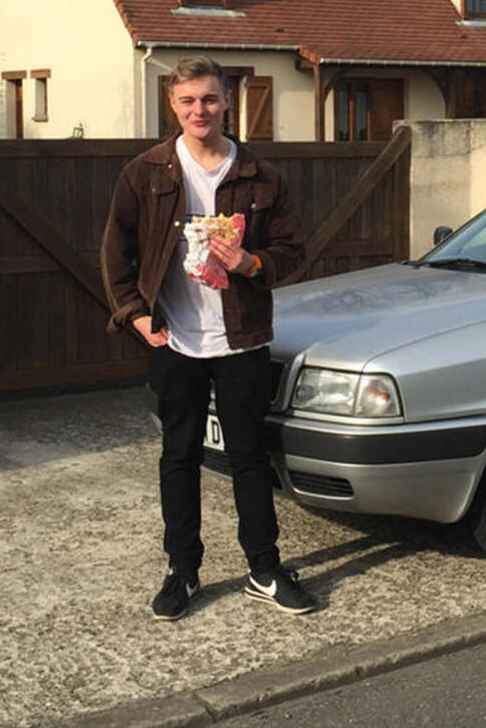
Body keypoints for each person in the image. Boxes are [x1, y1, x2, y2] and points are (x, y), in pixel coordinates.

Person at [100, 56, 315, 620]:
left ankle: (264, 569)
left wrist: (251, 261)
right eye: (189, 100)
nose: (201, 110)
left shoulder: (259, 176)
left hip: (240, 338)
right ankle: (183, 571)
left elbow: (295, 250)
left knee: (249, 456)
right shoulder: (145, 172)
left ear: (228, 102)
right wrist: (133, 314)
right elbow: (114, 250)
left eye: (211, 99)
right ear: (173, 105)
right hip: (174, 339)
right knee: (180, 456)